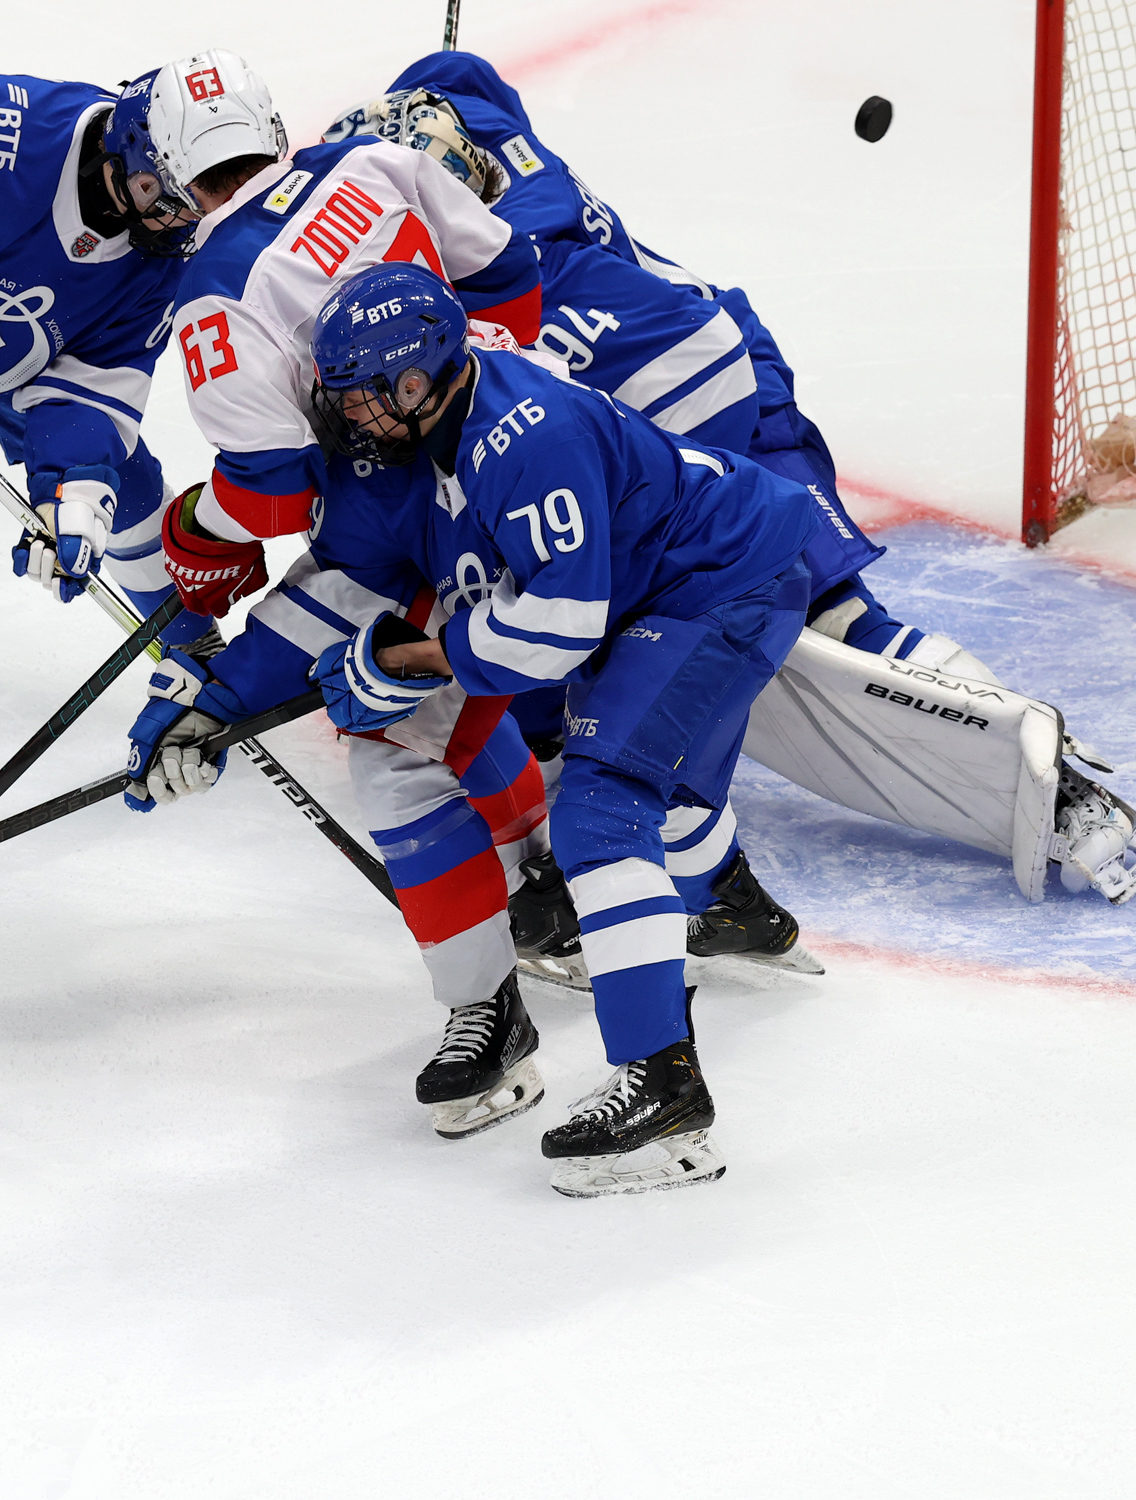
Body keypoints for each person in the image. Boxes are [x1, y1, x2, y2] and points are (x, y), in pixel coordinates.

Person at [318, 56, 1136, 906]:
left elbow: (679, 391)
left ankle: (1051, 782)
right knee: (663, 607)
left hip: (722, 403)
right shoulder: (494, 152)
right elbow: (462, 73)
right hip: (709, 372)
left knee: (820, 613)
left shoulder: (514, 281)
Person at [124, 263, 826, 1196]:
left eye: (361, 397)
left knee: (603, 807)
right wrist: (213, 703)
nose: (344, 418)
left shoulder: (526, 433)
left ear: (419, 381)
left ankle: (665, 1093)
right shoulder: (392, 442)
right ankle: (730, 908)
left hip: (718, 581)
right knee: (611, 780)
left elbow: (560, 625)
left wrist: (416, 658)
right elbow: (340, 588)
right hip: (632, 596)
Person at [138, 48, 542, 627]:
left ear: (175, 170)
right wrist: (477, 383)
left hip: (398, 509)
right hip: (525, 417)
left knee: (361, 667)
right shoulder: (368, 158)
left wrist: (201, 529)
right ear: (269, 125)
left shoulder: (213, 295)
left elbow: (272, 491)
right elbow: (509, 276)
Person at [1, 70, 217, 651]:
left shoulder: (164, 261)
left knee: (123, 488)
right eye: (168, 197)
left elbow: (91, 388)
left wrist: (72, 491)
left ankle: (191, 649)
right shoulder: (16, 133)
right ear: (127, 157)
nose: (182, 223)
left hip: (18, 375)